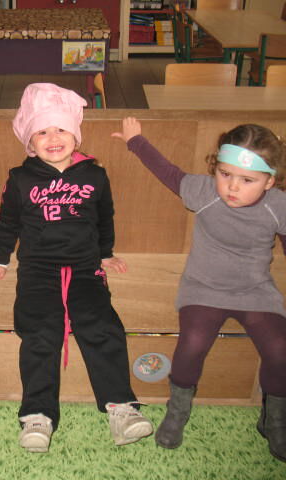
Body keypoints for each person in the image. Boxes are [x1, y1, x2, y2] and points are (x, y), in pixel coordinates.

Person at [0, 83, 153, 453]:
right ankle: (37, 415)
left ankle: (121, 407)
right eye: (42, 131)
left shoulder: (95, 176)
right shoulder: (20, 178)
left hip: (85, 268)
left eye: (61, 129)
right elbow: (7, 222)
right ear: (30, 142)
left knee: (102, 324)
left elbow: (104, 217)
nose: (53, 138)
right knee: (41, 332)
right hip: (37, 270)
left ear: (75, 135)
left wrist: (106, 253)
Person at [112, 117, 286, 463]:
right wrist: (135, 141)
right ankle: (177, 411)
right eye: (225, 174)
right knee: (191, 343)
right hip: (203, 288)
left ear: (270, 181)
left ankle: (275, 420)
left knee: (280, 350)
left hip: (255, 290)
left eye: (247, 180)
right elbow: (168, 172)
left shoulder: (278, 205)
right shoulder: (205, 192)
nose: (232, 187)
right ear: (215, 168)